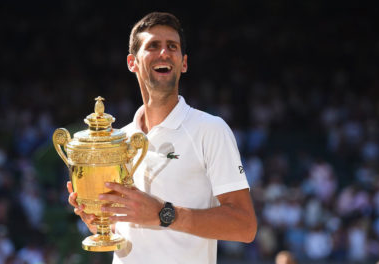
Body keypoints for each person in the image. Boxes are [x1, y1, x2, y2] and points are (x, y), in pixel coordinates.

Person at [67, 12, 257, 263]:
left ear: (184, 62)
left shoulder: (210, 129)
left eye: (172, 47)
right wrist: (98, 222)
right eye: (153, 46)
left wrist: (163, 214)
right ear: (132, 62)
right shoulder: (119, 139)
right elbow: (129, 230)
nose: (164, 53)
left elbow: (245, 226)